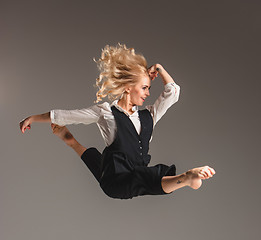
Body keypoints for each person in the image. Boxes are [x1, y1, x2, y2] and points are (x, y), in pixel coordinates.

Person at [19, 43, 215, 199]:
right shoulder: (106, 112)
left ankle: (69, 140)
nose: (148, 93)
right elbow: (67, 115)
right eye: (145, 88)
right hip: (117, 181)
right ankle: (185, 178)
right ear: (128, 87)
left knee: (106, 162)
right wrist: (33, 118)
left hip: (130, 174)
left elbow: (173, 93)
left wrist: (161, 69)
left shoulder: (148, 116)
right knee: (141, 178)